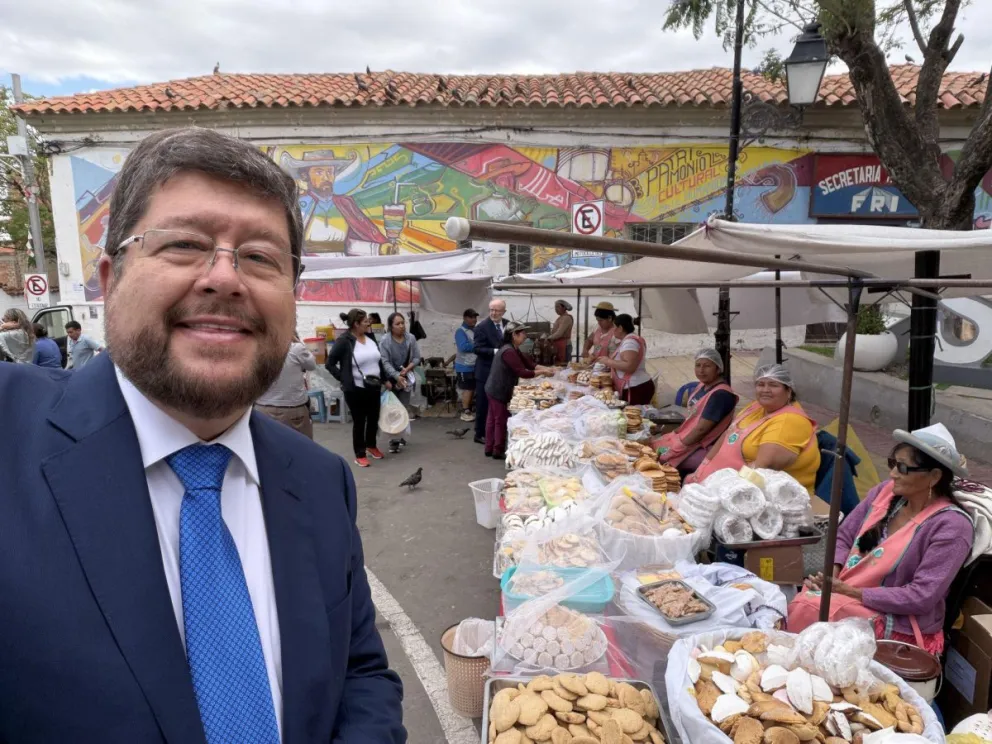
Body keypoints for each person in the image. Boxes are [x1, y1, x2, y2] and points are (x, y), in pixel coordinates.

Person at [0, 128, 404, 741]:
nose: (224, 278)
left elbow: (361, 674)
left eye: (261, 257)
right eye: (185, 244)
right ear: (110, 279)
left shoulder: (322, 483)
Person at [789, 423, 974, 653]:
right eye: (892, 464)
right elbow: (844, 536)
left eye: (903, 468)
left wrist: (850, 592)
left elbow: (922, 596)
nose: (893, 473)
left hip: (898, 619)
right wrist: (832, 574)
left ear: (934, 477)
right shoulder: (885, 492)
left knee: (811, 608)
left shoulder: (952, 527)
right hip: (848, 592)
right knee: (804, 599)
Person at [686, 364, 820, 495]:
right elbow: (728, 435)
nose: (765, 390)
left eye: (773, 385)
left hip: (758, 496)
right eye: (761, 384)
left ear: (789, 391)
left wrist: (720, 489)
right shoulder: (756, 407)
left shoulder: (789, 421)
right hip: (719, 483)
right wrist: (702, 469)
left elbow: (762, 468)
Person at [654, 348, 739, 477]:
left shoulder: (720, 395)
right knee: (652, 444)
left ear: (718, 368)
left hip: (703, 447)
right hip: (687, 438)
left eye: (707, 366)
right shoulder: (702, 386)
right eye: (698, 365)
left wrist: (677, 448)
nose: (701, 370)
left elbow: (701, 430)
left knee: (657, 457)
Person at [326, 308, 392, 468]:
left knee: (373, 418)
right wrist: (344, 378)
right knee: (359, 421)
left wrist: (385, 380)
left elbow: (378, 361)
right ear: (356, 324)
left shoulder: (370, 337)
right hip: (355, 389)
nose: (369, 323)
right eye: (365, 322)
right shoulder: (344, 341)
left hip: (374, 386)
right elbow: (330, 363)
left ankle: (371, 445)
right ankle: (360, 453)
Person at [484, 322, 554, 459]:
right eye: (522, 333)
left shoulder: (513, 348)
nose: (525, 336)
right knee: (499, 419)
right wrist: (542, 372)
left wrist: (545, 368)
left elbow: (529, 364)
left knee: (493, 419)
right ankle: (497, 450)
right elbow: (522, 372)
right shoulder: (509, 351)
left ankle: (489, 448)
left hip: (494, 387)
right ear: (513, 335)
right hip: (498, 388)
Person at [255, 334, 317, 439]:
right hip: (292, 409)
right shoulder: (295, 349)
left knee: (267, 449)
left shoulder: (256, 349)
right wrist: (297, 340)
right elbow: (311, 365)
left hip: (262, 408)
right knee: (301, 448)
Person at [379, 312, 421, 449]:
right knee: (392, 409)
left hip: (406, 377)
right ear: (391, 326)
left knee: (403, 407)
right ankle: (393, 440)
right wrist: (397, 376)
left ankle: (400, 434)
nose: (402, 326)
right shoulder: (385, 340)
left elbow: (416, 358)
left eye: (403, 323)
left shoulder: (411, 338)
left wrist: (407, 369)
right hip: (390, 379)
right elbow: (384, 362)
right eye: (398, 324)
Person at [597, 313, 655, 405]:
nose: (613, 330)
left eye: (614, 327)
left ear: (620, 328)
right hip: (635, 386)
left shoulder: (630, 342)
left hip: (635, 387)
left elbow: (629, 366)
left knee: (633, 416)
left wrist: (607, 361)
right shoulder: (629, 339)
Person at [473, 298, 507, 445]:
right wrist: (496, 351)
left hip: (502, 372)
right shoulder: (481, 327)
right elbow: (477, 349)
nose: (493, 313)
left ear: (503, 312)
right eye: (491, 310)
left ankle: (497, 432)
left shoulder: (507, 324)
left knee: (500, 404)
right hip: (485, 371)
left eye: (497, 310)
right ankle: (479, 434)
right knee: (483, 404)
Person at [454, 308, 479, 422]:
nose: (474, 319)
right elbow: (463, 347)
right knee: (467, 389)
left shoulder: (475, 330)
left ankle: (469, 409)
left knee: (472, 388)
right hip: (464, 365)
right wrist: (478, 346)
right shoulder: (460, 331)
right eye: (471, 317)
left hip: (474, 365)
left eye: (475, 317)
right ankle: (465, 411)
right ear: (465, 318)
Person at [546, 300, 574, 364]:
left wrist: (548, 338)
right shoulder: (561, 317)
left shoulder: (566, 318)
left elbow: (559, 333)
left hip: (564, 344)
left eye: (558, 307)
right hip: (559, 344)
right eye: (555, 307)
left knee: (564, 364)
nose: (556, 309)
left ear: (564, 308)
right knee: (559, 363)